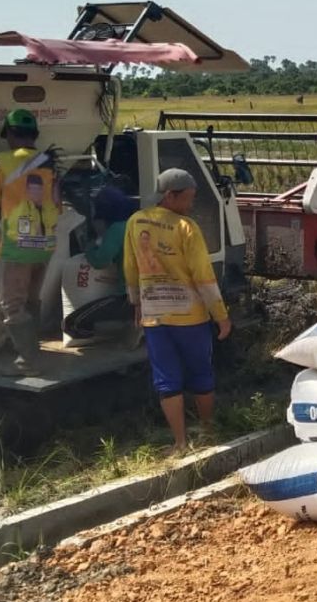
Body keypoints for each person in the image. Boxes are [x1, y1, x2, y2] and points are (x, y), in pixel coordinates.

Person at [124, 169, 232, 455]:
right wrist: (221, 315)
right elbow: (203, 276)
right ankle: (208, 433)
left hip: (154, 316)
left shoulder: (136, 222)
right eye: (187, 198)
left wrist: (136, 303)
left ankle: (180, 444)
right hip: (190, 316)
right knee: (200, 373)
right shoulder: (186, 228)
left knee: (166, 379)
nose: (191, 205)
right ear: (170, 195)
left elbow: (131, 267)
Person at [0, 108, 61, 374]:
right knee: (30, 298)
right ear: (34, 135)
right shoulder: (49, 161)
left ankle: (27, 361)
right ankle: (32, 349)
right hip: (46, 242)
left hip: (16, 244)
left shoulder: (0, 161)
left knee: (7, 304)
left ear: (8, 134)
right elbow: (57, 203)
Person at [63, 186, 139, 343]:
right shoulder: (139, 223)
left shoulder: (118, 229)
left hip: (131, 298)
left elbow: (100, 261)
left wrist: (89, 246)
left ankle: (130, 326)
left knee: (71, 325)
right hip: (154, 294)